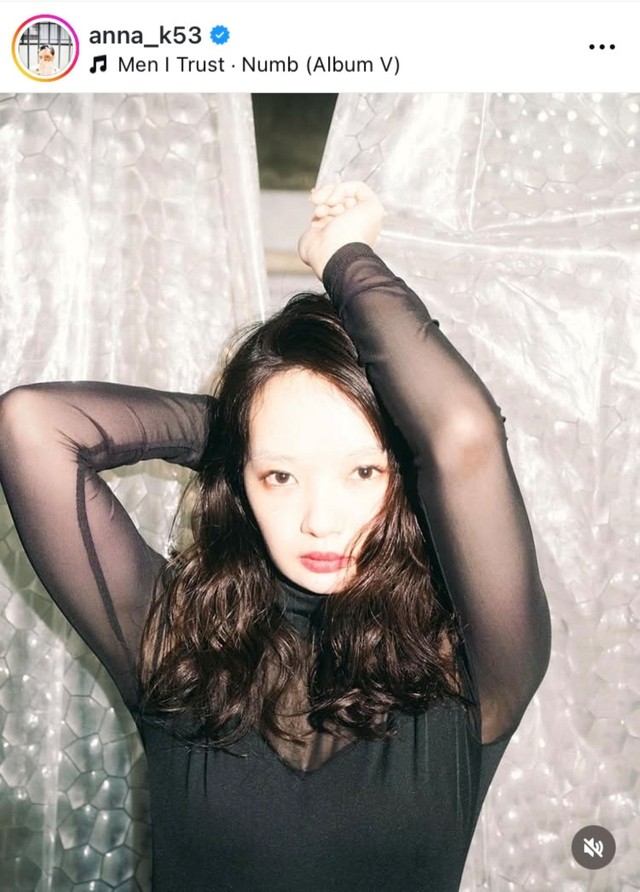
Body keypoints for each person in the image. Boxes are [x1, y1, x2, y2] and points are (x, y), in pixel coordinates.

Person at [0, 182, 551, 891]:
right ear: (245, 480)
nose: (320, 519)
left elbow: (463, 432)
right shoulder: (180, 643)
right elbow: (33, 427)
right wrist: (246, 427)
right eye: (281, 477)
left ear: (406, 473)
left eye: (361, 472)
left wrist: (344, 254)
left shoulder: (473, 662)